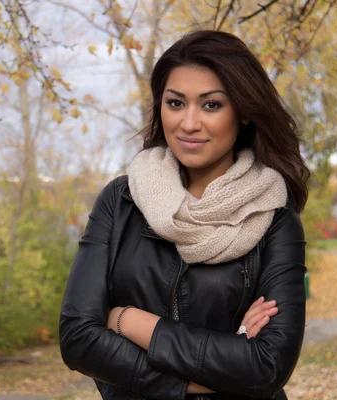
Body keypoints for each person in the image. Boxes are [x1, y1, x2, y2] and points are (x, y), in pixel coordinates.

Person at [59, 30, 309, 400]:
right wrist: (210, 372)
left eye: (211, 105)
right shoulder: (121, 201)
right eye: (176, 103)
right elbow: (78, 338)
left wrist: (127, 320)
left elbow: (266, 367)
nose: (189, 123)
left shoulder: (274, 218)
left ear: (242, 112)